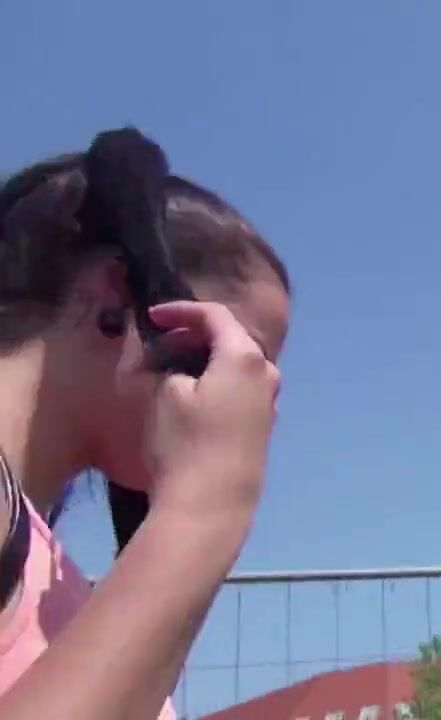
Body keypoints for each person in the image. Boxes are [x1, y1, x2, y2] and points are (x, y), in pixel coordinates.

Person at [0, 143, 291, 719]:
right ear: (115, 296)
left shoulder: (54, 576)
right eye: (247, 354)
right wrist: (204, 510)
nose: (257, 396)